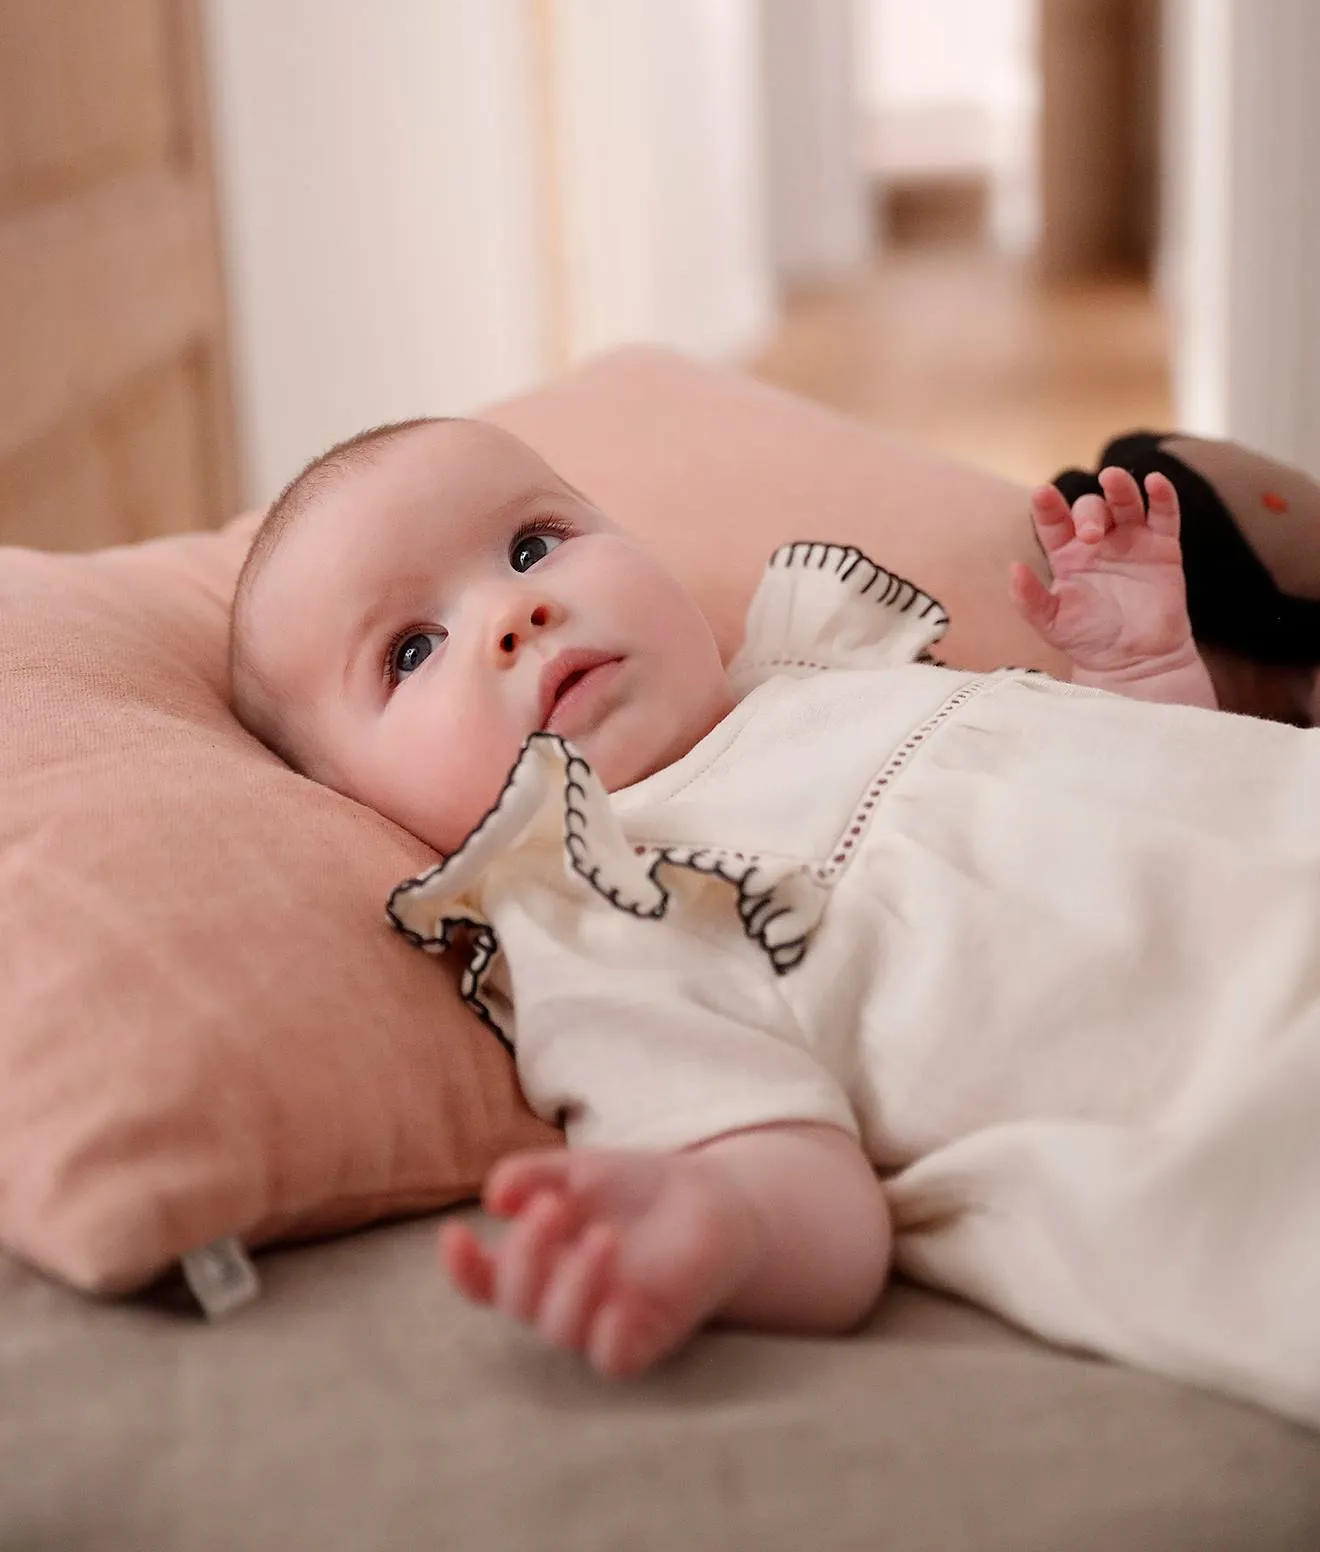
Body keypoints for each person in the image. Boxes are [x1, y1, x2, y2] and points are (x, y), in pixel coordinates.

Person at [230, 417, 1320, 1428]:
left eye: (532, 546)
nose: (516, 615)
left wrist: (1141, 673)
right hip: (1231, 1077)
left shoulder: (822, 666)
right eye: (410, 650)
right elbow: (816, 1206)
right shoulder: (601, 908)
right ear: (356, 802)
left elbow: (1158, 803)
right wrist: (722, 1220)